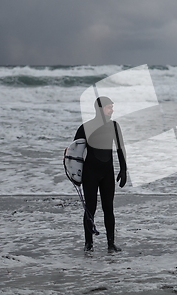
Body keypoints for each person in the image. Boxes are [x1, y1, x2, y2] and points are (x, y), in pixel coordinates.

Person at [74, 96, 127, 252]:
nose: (112, 110)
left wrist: (123, 169)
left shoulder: (114, 126)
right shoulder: (86, 127)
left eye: (112, 106)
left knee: (108, 208)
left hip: (107, 173)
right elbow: (74, 152)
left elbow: (120, 149)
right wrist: (74, 174)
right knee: (90, 208)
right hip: (90, 173)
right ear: (100, 109)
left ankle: (111, 244)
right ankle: (88, 244)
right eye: (109, 107)